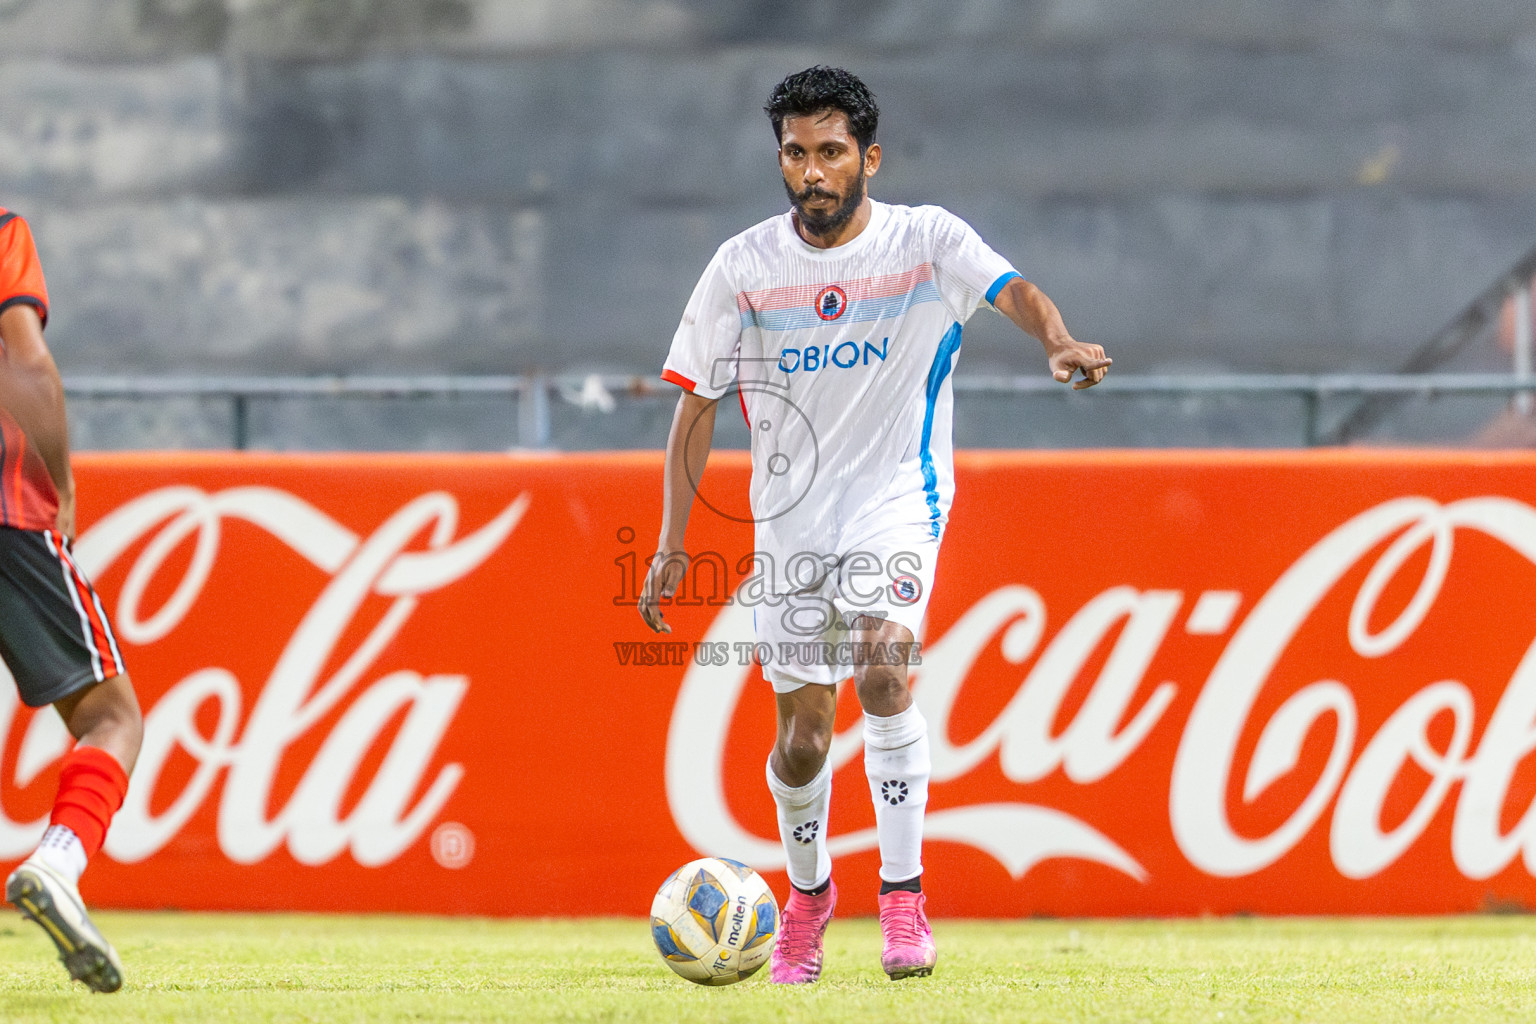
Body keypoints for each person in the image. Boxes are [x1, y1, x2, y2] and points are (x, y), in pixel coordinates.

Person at [638, 67, 1109, 983]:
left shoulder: (925, 240)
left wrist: (1056, 340)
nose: (811, 172)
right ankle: (809, 899)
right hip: (791, 523)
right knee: (803, 739)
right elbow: (695, 404)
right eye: (795, 154)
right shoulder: (743, 266)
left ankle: (903, 896)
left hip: (899, 495)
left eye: (830, 152)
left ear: (868, 157)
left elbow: (1015, 290)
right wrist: (671, 541)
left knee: (885, 672)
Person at [0, 206, 142, 993]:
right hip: (7, 508)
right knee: (111, 716)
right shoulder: (2, 229)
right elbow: (28, 363)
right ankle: (57, 864)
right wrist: (63, 476)